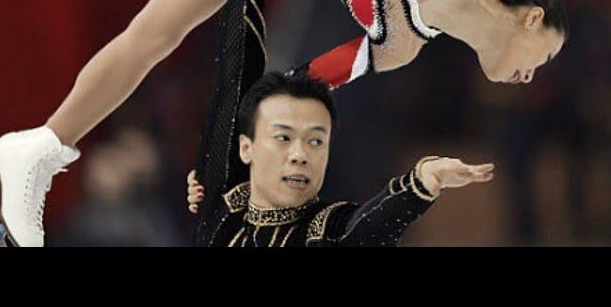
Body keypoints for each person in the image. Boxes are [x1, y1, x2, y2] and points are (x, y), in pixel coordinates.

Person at [0, 0, 567, 247]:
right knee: (155, 32)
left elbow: (283, 92)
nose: (533, 76)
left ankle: (38, 149)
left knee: (155, 33)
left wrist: (227, 160)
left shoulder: (401, 42)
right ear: (532, 21)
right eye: (546, 59)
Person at [187, 71, 495, 247]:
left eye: (316, 141)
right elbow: (233, 73)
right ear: (246, 148)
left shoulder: (324, 229)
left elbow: (369, 226)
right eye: (283, 138)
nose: (300, 155)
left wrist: (422, 183)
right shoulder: (221, 207)